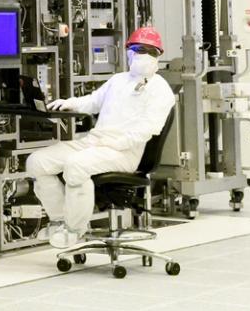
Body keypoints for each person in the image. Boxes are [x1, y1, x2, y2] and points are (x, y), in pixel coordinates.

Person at [31, 26, 176, 249]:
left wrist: (117, 143)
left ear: (158, 55)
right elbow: (93, 101)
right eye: (137, 49)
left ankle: (74, 229)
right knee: (37, 162)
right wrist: (69, 103)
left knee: (76, 165)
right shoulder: (119, 80)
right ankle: (60, 220)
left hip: (124, 152)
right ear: (128, 51)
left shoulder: (161, 90)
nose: (142, 54)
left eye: (149, 50)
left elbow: (149, 129)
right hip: (94, 142)